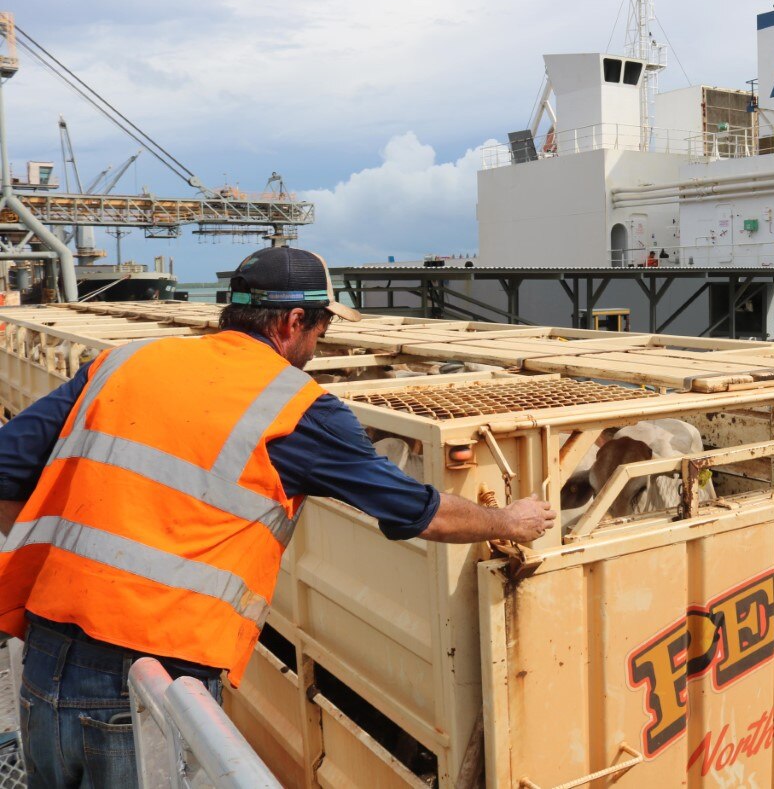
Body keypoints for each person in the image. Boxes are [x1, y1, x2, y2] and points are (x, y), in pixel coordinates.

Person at [0, 246, 553, 788]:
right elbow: (419, 512)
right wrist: (510, 520)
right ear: (292, 321)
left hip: (45, 653)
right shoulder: (296, 408)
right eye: (320, 332)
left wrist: (67, 556)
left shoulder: (125, 361)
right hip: (149, 679)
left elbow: (5, 465)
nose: (317, 346)